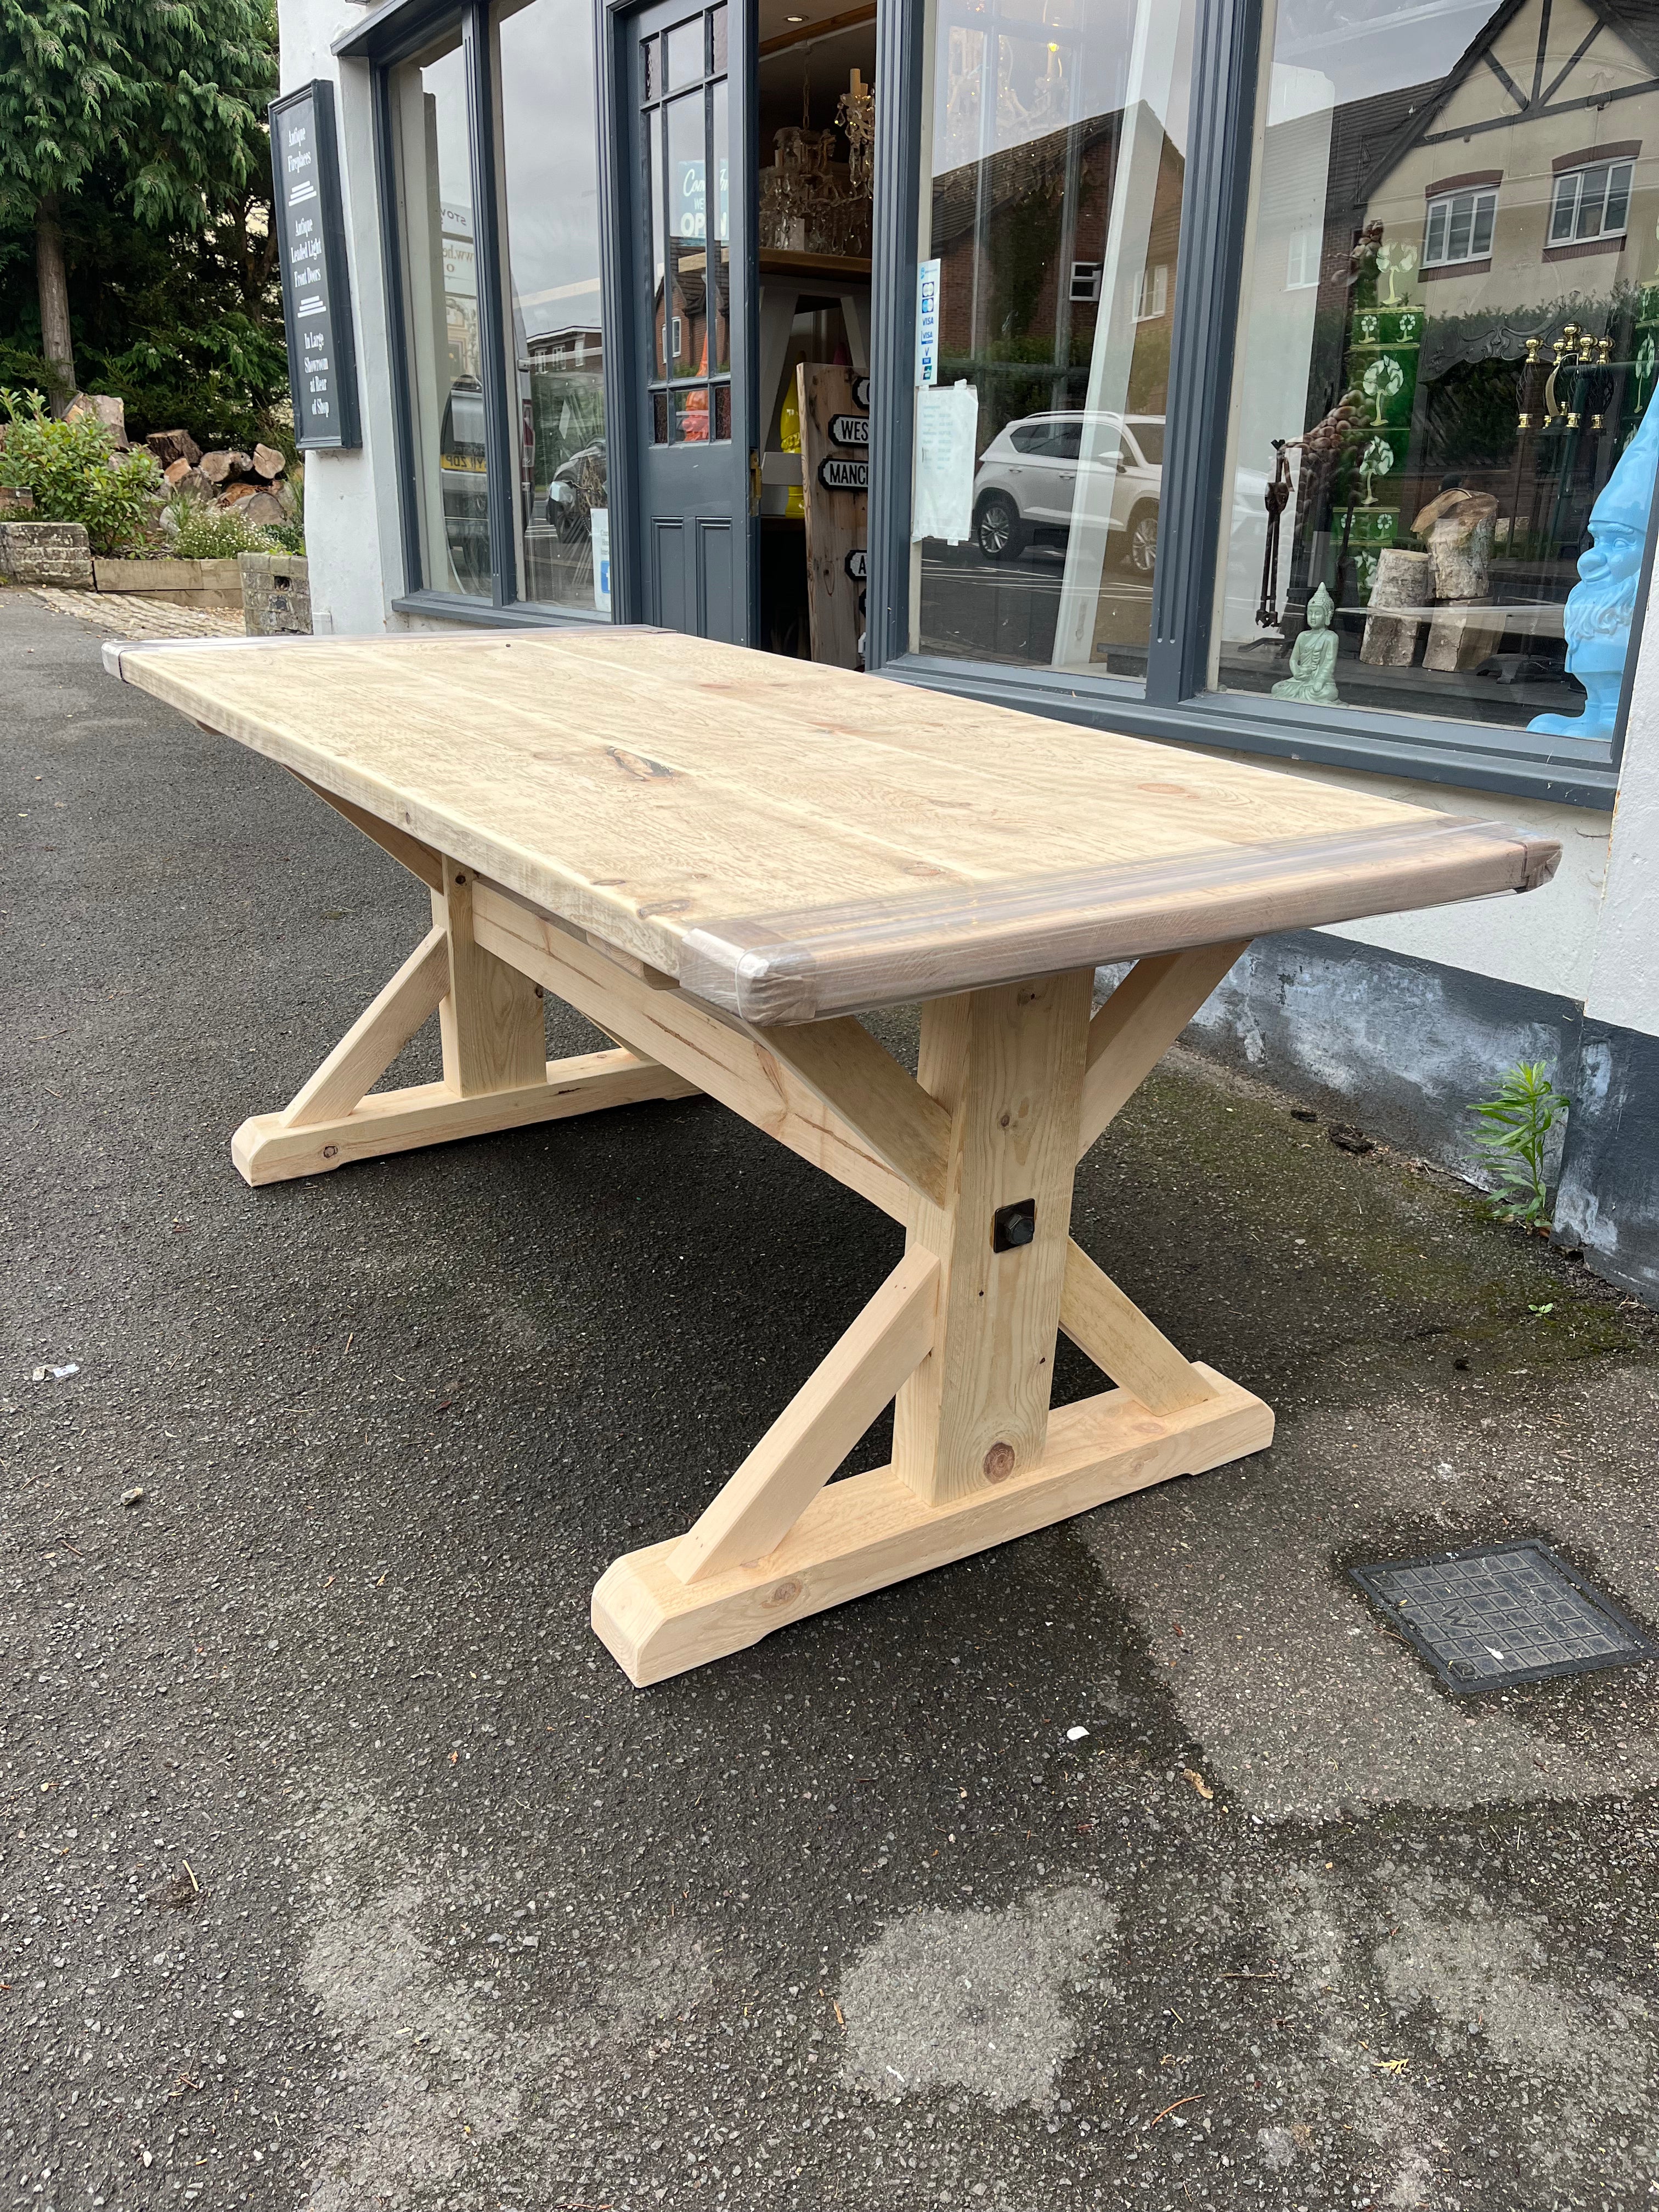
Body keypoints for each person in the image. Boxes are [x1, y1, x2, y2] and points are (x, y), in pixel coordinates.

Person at [1272, 582, 1340, 702]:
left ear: (1327, 615)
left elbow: (1328, 663)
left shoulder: (1331, 637)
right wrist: (1297, 673)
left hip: (1319, 681)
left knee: (1328, 693)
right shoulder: (1303, 636)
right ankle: (1301, 692)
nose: (1313, 617)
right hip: (1300, 679)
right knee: (1277, 688)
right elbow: (1293, 660)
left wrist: (1319, 681)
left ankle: (1304, 693)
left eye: (1318, 613)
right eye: (1310, 613)